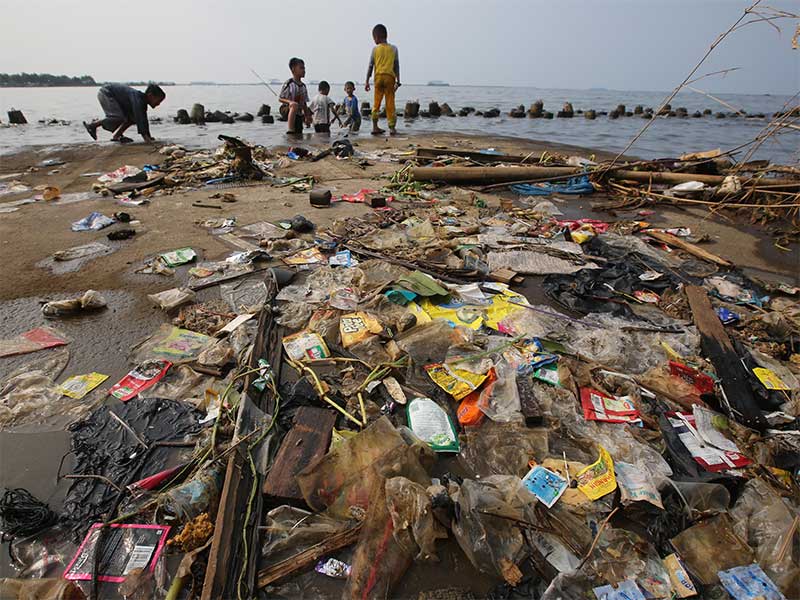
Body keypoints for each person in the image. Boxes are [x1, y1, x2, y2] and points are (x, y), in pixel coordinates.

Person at [83, 83, 165, 143]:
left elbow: (143, 120)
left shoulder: (142, 101)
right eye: (158, 101)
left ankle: (116, 136)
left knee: (132, 119)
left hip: (116, 97)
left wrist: (149, 137)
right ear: (150, 96)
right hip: (107, 93)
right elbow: (140, 119)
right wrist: (146, 139)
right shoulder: (138, 100)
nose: (158, 104)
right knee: (118, 117)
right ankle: (92, 125)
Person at [365, 23, 400, 135]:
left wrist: (366, 81)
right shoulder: (394, 49)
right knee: (390, 103)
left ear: (376, 37)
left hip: (378, 77)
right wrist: (398, 81)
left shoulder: (375, 50)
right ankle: (392, 128)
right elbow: (396, 66)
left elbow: (370, 66)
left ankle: (375, 127)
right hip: (390, 77)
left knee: (376, 103)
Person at [279, 57, 312, 134]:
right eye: (301, 68)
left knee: (299, 132)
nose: (304, 70)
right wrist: (290, 102)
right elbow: (280, 98)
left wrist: (307, 116)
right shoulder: (289, 83)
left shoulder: (303, 86)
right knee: (294, 105)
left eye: (304, 68)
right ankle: (290, 129)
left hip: (298, 113)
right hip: (287, 109)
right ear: (293, 69)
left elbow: (304, 103)